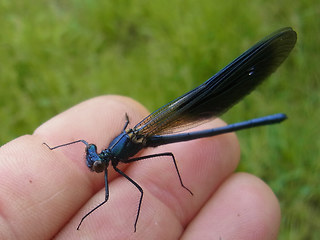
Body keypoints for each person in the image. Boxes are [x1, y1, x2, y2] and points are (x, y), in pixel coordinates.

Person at [0, 96, 280, 239]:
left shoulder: (112, 158)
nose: (96, 165)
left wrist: (90, 221)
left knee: (167, 157)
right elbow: (87, 142)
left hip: (147, 135)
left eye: (96, 163)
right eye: (96, 161)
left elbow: (122, 195)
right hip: (133, 138)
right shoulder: (110, 153)